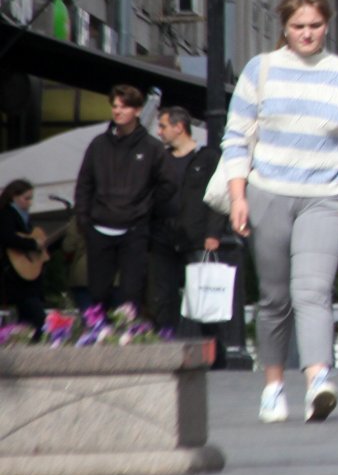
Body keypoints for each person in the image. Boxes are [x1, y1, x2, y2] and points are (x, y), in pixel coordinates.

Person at [223, 0, 338, 423]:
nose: (307, 34)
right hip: (268, 192)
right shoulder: (261, 70)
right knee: (274, 298)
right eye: (298, 27)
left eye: (315, 26)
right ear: (284, 28)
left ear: (326, 25)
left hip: (326, 198)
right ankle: (273, 386)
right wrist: (238, 197)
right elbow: (236, 138)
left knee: (313, 292)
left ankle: (318, 381)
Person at [74, 84, 164, 313]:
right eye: (115, 106)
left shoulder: (152, 147)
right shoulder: (98, 145)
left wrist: (147, 218)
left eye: (124, 107)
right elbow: (84, 183)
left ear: (137, 110)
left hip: (134, 228)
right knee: (98, 292)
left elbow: (165, 186)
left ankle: (127, 336)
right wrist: (84, 220)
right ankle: (99, 336)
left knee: (131, 292)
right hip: (100, 226)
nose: (118, 111)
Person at [147, 106, 225, 334]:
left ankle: (214, 353)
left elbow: (217, 198)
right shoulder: (160, 160)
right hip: (163, 237)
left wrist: (213, 233)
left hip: (197, 237)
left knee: (204, 296)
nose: (159, 132)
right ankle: (165, 347)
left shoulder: (207, 157)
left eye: (163, 126)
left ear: (179, 127)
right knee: (162, 297)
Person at [0, 179, 48, 333]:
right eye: (26, 198)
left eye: (30, 198)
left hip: (27, 277)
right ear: (14, 196)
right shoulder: (7, 214)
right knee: (37, 317)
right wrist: (33, 244)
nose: (29, 202)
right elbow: (7, 237)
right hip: (15, 274)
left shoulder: (24, 217)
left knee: (26, 322)